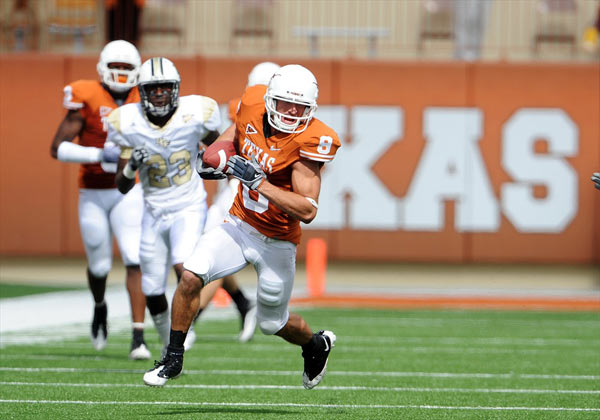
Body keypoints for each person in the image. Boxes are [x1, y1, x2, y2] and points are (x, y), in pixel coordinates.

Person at [143, 64, 342, 390]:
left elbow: (307, 209)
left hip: (278, 240)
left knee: (271, 323)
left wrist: (259, 182)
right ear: (269, 100)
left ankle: (316, 345)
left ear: (312, 109)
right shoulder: (250, 103)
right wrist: (213, 160)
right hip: (238, 224)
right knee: (192, 274)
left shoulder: (312, 139)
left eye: (301, 107)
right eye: (285, 104)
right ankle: (172, 356)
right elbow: (230, 139)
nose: (292, 112)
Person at [109, 56, 250, 356]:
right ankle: (168, 342)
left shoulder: (196, 112)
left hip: (188, 203)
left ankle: (180, 335)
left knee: (184, 266)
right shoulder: (128, 121)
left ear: (175, 89)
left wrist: (215, 162)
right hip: (152, 208)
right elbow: (121, 186)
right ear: (142, 91)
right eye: (152, 88)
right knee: (151, 287)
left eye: (165, 87)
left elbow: (221, 146)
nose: (159, 93)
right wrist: (131, 165)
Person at [49, 40, 149, 360]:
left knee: (134, 256)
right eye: (115, 67)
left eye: (126, 68)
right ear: (102, 68)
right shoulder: (86, 94)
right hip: (92, 190)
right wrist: (98, 153)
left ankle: (138, 335)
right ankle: (100, 306)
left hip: (128, 189)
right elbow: (58, 148)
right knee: (100, 264)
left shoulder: (144, 98)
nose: (120, 74)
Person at [184, 62, 282, 348]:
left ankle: (189, 323)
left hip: (244, 194)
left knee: (207, 259)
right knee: (206, 254)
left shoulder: (247, 108)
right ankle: (243, 304)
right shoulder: (253, 110)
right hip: (241, 190)